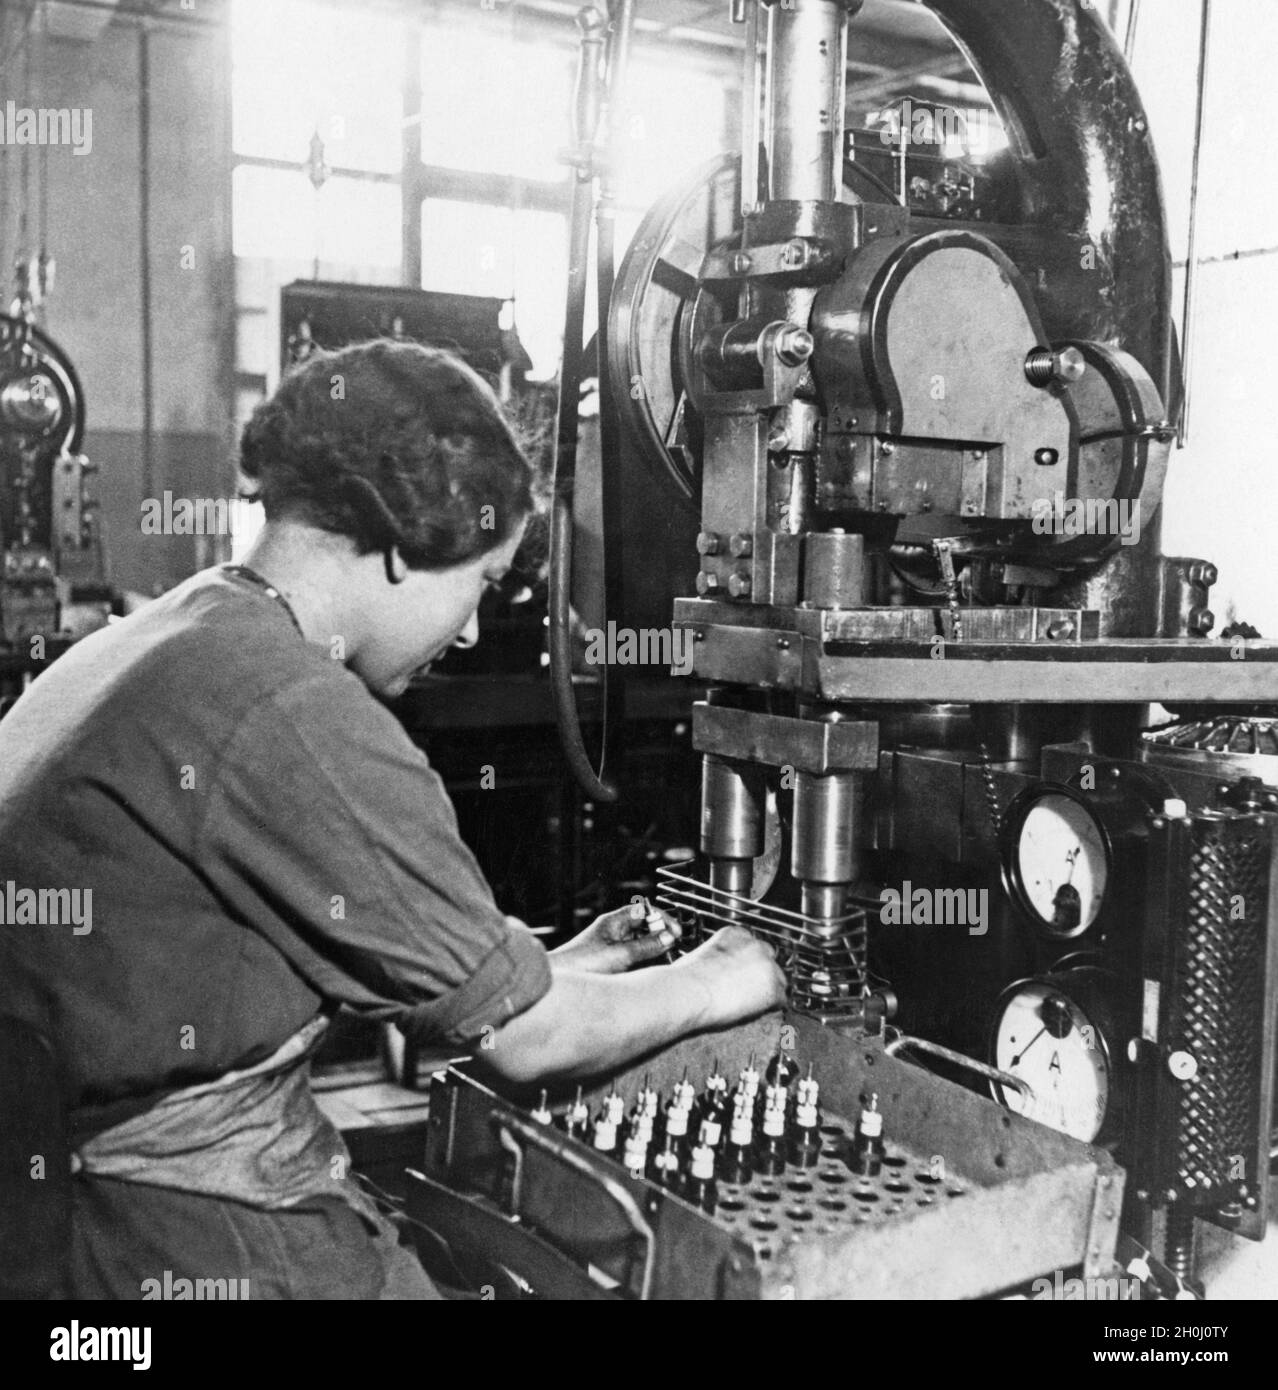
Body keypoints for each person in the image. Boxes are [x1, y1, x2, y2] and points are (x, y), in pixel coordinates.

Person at [0, 341, 784, 1300]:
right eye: (485, 587)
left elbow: (321, 946)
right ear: (412, 547)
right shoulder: (292, 708)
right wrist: (719, 979)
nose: (464, 634)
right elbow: (529, 1041)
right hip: (164, 1235)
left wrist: (555, 964)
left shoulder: (164, 633)